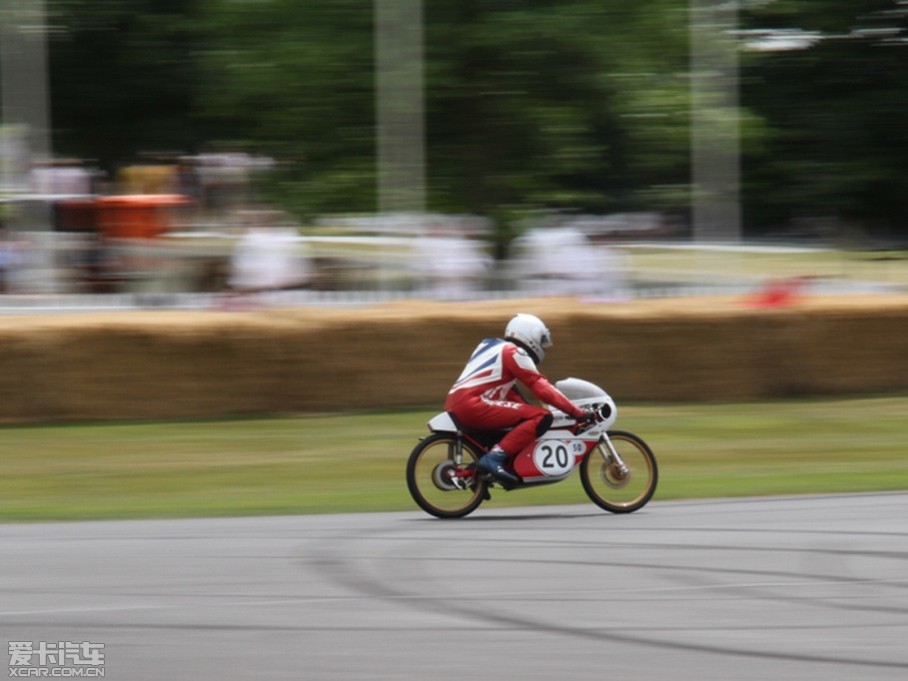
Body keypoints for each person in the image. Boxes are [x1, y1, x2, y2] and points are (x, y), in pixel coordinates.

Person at [444, 313, 590, 485]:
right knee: (541, 417)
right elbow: (541, 387)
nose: (543, 346)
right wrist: (575, 412)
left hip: (455, 403)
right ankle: (494, 458)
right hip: (474, 404)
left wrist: (528, 414)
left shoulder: (489, 346)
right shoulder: (514, 352)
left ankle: (481, 471)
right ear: (530, 335)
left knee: (522, 420)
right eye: (541, 340)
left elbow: (512, 396)